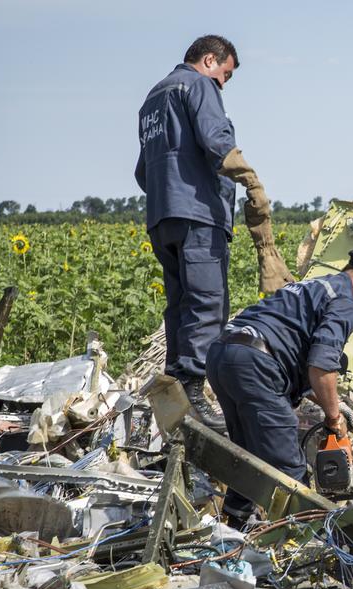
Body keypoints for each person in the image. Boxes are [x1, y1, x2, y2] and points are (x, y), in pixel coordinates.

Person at [135, 34, 285, 431]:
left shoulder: (153, 98)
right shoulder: (198, 85)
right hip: (199, 214)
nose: (223, 83)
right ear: (208, 60)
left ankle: (172, 390)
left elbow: (141, 172)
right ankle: (192, 388)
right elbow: (217, 141)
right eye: (225, 74)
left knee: (179, 304)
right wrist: (250, 179)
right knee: (207, 303)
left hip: (162, 217)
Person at [206, 249, 353, 523]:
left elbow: (299, 359)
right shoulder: (346, 302)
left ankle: (234, 525)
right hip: (256, 363)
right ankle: (305, 545)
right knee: (289, 467)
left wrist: (332, 401)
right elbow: (321, 365)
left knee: (249, 454)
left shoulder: (313, 286)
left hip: (223, 355)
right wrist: (333, 417)